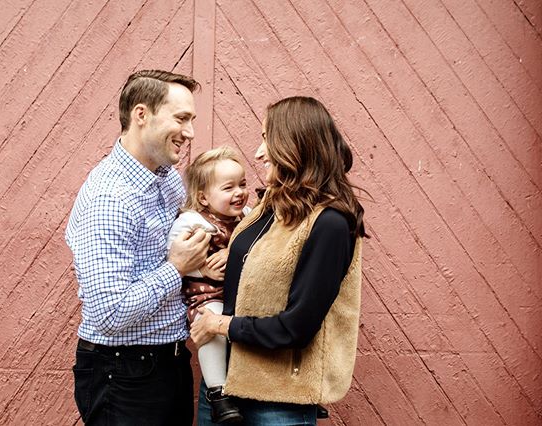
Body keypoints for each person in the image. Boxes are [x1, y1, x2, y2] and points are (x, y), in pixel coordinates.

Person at [191, 96, 368, 425]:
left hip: (277, 401)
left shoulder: (330, 222)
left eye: (266, 140)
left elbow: (296, 327)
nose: (258, 154)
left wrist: (219, 325)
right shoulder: (268, 206)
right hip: (222, 393)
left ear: (294, 145)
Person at [65, 69, 212, 425]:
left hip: (168, 362)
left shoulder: (167, 181)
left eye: (191, 120)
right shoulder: (110, 199)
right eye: (181, 119)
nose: (190, 132)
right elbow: (110, 315)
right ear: (141, 115)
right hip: (124, 374)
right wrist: (175, 267)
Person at [167, 146, 250, 423]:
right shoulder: (194, 221)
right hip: (206, 295)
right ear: (203, 197)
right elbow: (172, 253)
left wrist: (234, 250)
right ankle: (218, 393)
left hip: (239, 295)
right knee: (210, 326)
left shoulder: (246, 217)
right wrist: (201, 266)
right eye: (229, 188)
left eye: (242, 184)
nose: (239, 192)